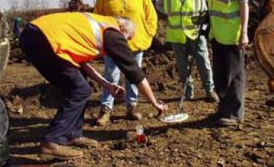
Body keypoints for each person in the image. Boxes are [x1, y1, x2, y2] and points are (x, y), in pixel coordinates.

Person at [19, 12, 168, 159]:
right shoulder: (112, 32)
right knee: (80, 90)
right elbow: (135, 73)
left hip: (36, 35)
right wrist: (154, 103)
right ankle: (52, 141)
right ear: (122, 28)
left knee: (79, 85)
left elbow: (81, 64)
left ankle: (72, 134)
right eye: (128, 37)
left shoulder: (99, 27)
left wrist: (106, 84)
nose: (126, 42)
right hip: (43, 38)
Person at [189, 0, 249, 126]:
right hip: (216, 31)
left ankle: (234, 114)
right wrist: (206, 16)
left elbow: (243, 3)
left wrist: (244, 32)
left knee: (234, 75)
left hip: (232, 33)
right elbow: (215, 0)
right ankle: (223, 109)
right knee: (220, 75)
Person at [93, 0, 157, 126]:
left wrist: (147, 34)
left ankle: (132, 107)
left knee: (133, 76)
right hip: (112, 45)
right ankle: (106, 109)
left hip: (136, 44)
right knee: (110, 75)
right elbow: (96, 19)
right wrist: (101, 40)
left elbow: (151, 16)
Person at [155, 0, 219, 103]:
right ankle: (187, 92)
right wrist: (168, 13)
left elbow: (203, 11)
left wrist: (203, 28)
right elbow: (159, 6)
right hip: (177, 36)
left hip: (195, 34)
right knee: (183, 66)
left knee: (204, 63)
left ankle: (210, 90)